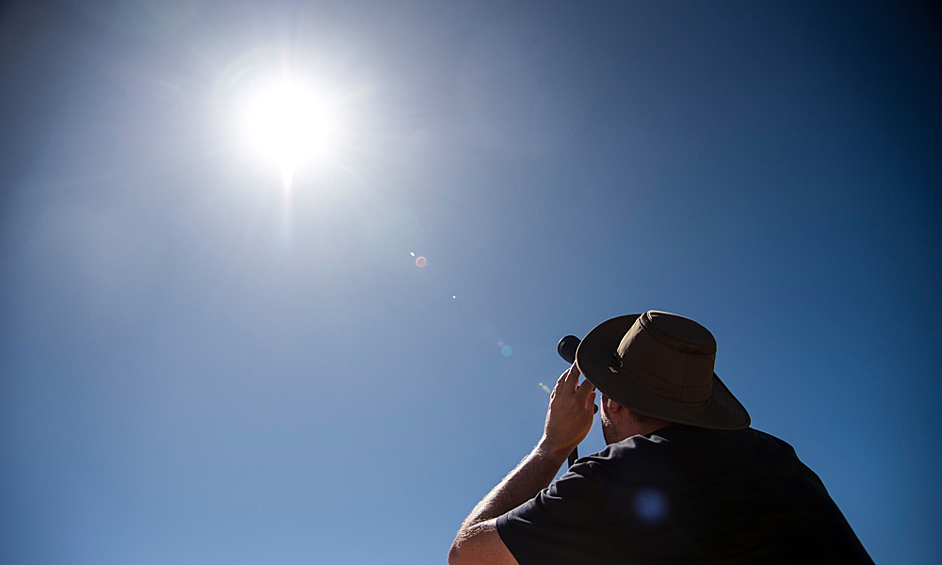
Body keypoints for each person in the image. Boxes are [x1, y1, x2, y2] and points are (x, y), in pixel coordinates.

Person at [448, 311, 874, 565]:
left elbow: (468, 557)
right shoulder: (779, 459)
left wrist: (553, 446)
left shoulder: (616, 477)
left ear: (612, 404)